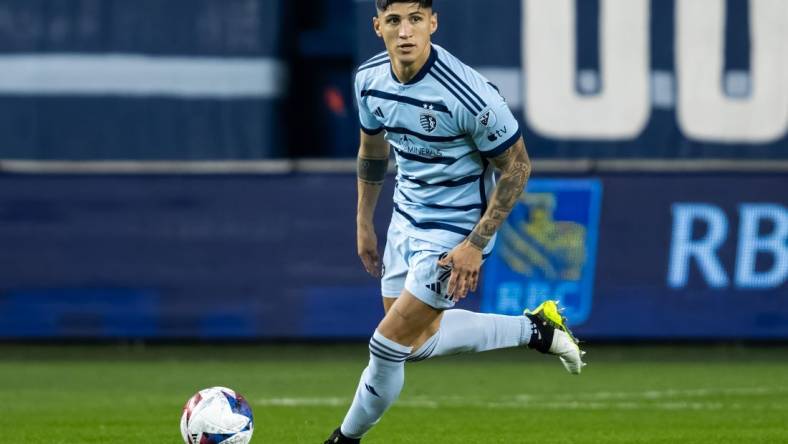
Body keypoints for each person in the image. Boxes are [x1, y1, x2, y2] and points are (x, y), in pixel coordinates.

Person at [325, 1, 585, 442]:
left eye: (414, 20)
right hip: (406, 221)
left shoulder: (469, 94)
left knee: (386, 347)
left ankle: (343, 439)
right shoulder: (368, 80)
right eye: (393, 21)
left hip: (456, 232)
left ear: (432, 23)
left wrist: (474, 244)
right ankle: (535, 329)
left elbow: (518, 168)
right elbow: (372, 151)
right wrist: (363, 220)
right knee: (419, 344)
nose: (405, 32)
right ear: (377, 27)